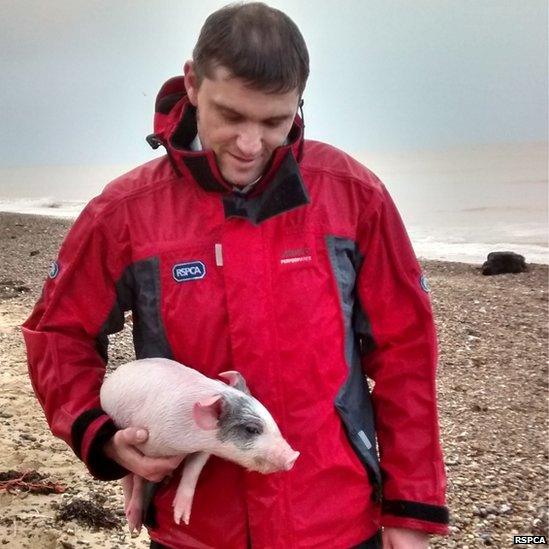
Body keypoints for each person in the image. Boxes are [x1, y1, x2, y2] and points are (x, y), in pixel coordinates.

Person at [22, 3, 449, 548]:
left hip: (336, 521)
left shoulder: (353, 194)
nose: (250, 145)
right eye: (231, 116)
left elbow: (406, 351)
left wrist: (411, 510)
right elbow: (58, 334)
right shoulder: (123, 212)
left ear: (299, 101)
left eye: (275, 121)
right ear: (194, 84)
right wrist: (100, 436)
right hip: (195, 531)